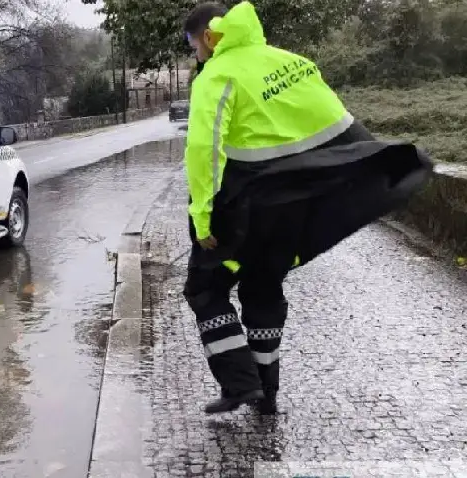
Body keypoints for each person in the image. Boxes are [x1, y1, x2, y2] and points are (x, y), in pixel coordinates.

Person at [182, 0, 433, 415]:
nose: (196, 54)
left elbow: (203, 152)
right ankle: (268, 393)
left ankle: (240, 383)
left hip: (250, 208)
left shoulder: (217, 75)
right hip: (296, 208)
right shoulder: (293, 63)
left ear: (209, 37)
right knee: (262, 286)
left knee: (205, 288)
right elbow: (339, 125)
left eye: (194, 46)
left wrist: (203, 217)